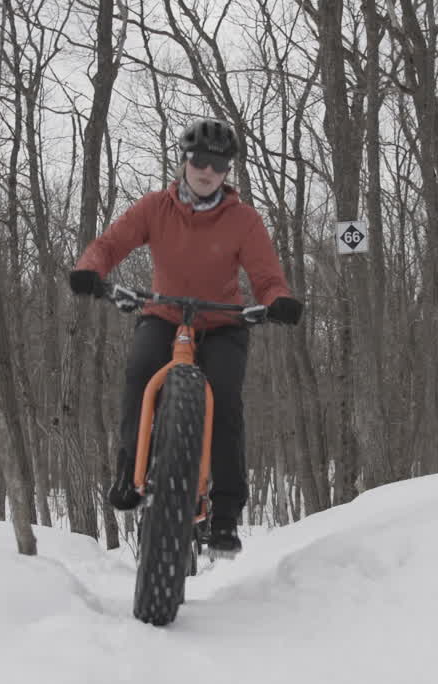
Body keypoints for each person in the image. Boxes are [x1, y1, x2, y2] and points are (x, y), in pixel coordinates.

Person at [69, 118, 303, 555]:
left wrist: (279, 300)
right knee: (140, 375)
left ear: (227, 171)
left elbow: (267, 277)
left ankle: (225, 514)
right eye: (199, 160)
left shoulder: (243, 220)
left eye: (218, 164)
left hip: (222, 324)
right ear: (184, 161)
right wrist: (89, 269)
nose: (207, 170)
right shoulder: (155, 208)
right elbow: (110, 244)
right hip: (164, 315)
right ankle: (129, 474)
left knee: (226, 400)